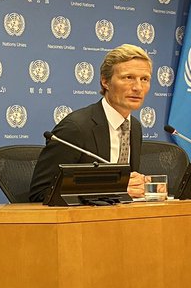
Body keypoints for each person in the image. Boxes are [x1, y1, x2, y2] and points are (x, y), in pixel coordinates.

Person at [28, 44, 152, 203]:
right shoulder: (76, 128)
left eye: (144, 79)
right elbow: (41, 193)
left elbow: (126, 190)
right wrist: (111, 190)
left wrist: (146, 188)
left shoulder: (134, 127)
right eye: (128, 77)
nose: (138, 87)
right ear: (105, 81)